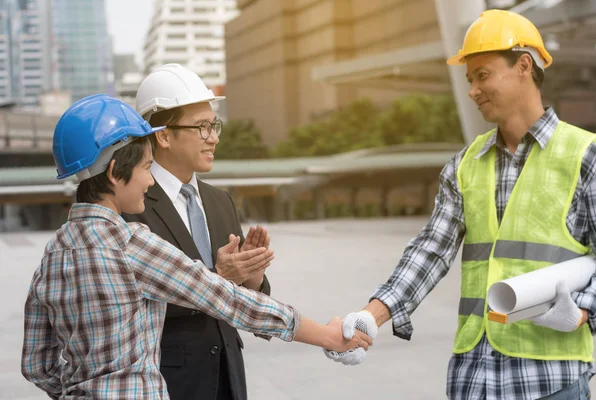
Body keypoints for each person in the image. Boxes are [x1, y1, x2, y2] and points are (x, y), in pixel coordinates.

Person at [21, 94, 372, 400]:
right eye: (145, 168)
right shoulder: (131, 244)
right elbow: (229, 300)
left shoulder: (54, 253)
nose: (148, 179)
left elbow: (37, 364)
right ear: (115, 172)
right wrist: (327, 335)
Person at [326, 9, 596, 399]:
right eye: (469, 79)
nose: (472, 90)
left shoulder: (586, 156)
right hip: (474, 377)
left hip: (549, 379)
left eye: (483, 75)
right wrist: (373, 315)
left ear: (524, 66)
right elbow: (431, 250)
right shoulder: (464, 165)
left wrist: (583, 311)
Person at [121, 63, 273, 400]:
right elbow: (130, 301)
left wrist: (252, 279)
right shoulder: (132, 205)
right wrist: (219, 275)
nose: (213, 136)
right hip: (167, 383)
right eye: (202, 127)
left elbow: (241, 300)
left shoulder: (221, 202)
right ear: (162, 135)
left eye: (214, 124)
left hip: (228, 380)